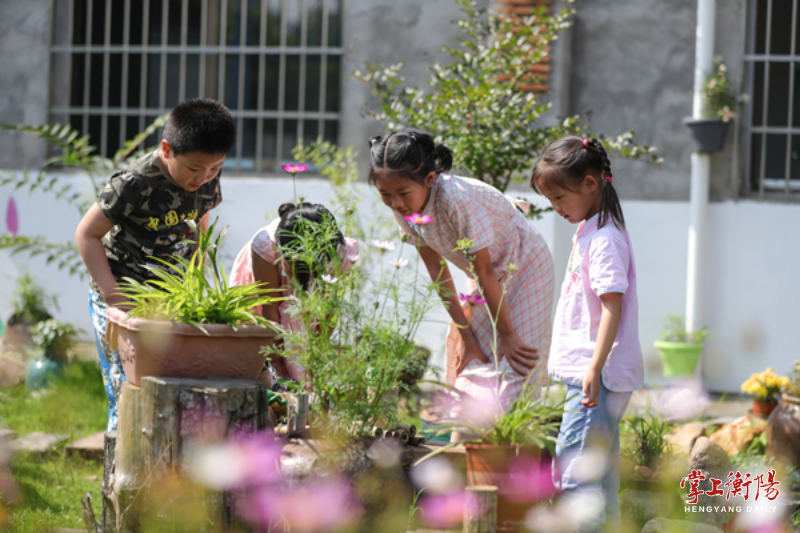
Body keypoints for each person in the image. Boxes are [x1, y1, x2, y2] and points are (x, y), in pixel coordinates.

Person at [75, 98, 236, 431]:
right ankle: (121, 479)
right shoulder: (134, 182)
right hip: (122, 295)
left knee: (171, 389)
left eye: (215, 168)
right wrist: (113, 297)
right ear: (166, 149)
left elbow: (200, 223)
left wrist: (196, 279)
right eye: (194, 169)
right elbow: (86, 235)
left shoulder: (206, 180)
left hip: (171, 297)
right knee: (127, 391)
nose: (203, 178)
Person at [368, 131, 554, 411]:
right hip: (483, 277)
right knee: (471, 362)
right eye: (385, 194)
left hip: (525, 266)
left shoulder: (455, 198)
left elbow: (485, 271)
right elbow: (436, 269)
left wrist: (507, 335)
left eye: (403, 193)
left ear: (429, 179)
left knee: (516, 365)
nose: (396, 203)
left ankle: (516, 449)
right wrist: (466, 336)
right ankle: (468, 448)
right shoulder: (405, 207)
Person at [531, 136, 644, 532]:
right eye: (551, 201)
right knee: (599, 477)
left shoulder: (605, 239)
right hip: (596, 375)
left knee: (575, 475)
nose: (556, 209)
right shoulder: (593, 230)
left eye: (560, 198)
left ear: (591, 184)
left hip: (595, 376)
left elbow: (612, 305)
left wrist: (594, 367)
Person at [229, 202, 359, 380]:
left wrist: (316, 356)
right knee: (264, 365)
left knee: (309, 375)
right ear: (283, 254)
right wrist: (275, 362)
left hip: (308, 300)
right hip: (266, 297)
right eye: (293, 267)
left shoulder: (340, 253)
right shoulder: (267, 246)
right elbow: (270, 310)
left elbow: (328, 311)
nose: (300, 275)